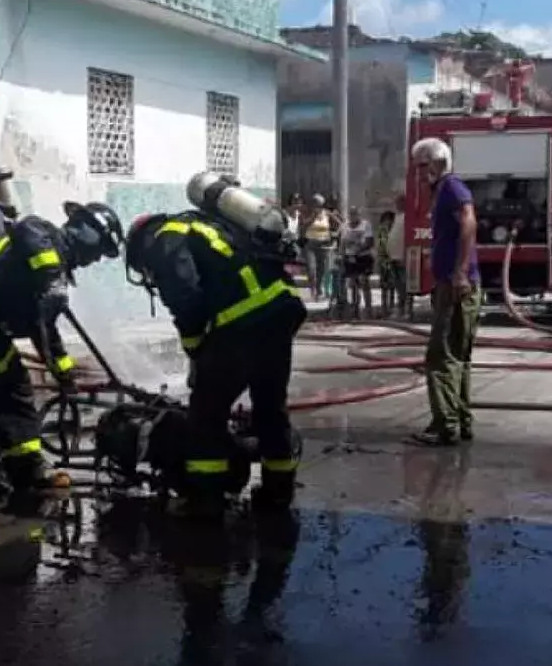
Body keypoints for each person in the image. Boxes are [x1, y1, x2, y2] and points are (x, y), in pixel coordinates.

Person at [0, 201, 125, 517]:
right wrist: (51, 275)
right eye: (100, 250)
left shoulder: (52, 270)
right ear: (88, 231)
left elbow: (43, 328)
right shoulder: (42, 234)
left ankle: (27, 470)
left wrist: (64, 373)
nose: (94, 259)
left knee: (16, 392)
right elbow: (27, 227)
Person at [124, 203, 307, 518]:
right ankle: (279, 490)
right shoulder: (207, 226)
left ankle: (205, 499)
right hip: (281, 309)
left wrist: (194, 345)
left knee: (206, 415)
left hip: (242, 322)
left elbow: (185, 297)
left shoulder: (164, 239)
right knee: (269, 404)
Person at [409, 137, 480, 446]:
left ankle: (444, 425)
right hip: (457, 284)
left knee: (440, 357)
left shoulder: (451, 188)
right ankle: (461, 420)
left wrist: (459, 272)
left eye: (423, 166)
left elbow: (468, 221)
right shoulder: (446, 190)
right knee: (458, 358)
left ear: (439, 162)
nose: (420, 173)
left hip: (455, 286)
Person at [338, 206, 375, 319]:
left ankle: (368, 309)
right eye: (352, 213)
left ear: (359, 214)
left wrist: (357, 251)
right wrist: (342, 255)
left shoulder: (365, 225)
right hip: (350, 258)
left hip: (363, 257)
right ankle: (355, 308)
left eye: (356, 213)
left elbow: (369, 242)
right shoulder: (344, 226)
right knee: (353, 284)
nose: (353, 215)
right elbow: (342, 243)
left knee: (364, 282)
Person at [301, 194, 335, 301]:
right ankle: (313, 290)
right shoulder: (307, 213)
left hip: (324, 244)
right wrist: (313, 216)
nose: (318, 206)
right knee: (312, 268)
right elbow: (304, 225)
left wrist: (334, 235)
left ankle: (319, 290)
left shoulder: (327, 214)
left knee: (321, 269)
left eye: (320, 204)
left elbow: (341, 223)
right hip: (311, 244)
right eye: (316, 203)